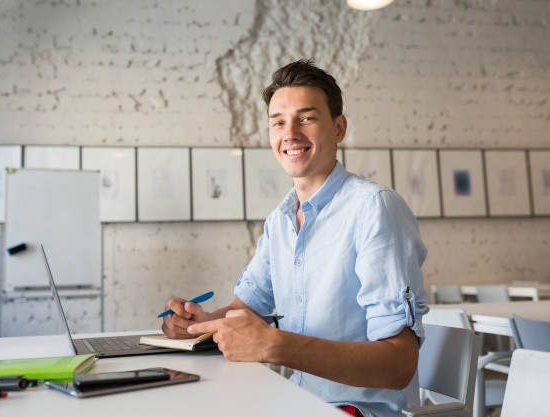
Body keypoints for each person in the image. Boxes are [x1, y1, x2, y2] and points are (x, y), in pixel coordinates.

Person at [161, 59, 428, 417]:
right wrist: (198, 323)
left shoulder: (374, 209)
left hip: (360, 411)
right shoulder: (279, 221)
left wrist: (274, 346)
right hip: (296, 402)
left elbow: (398, 366)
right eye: (278, 122)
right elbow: (244, 310)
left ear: (339, 128)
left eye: (307, 118)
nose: (291, 133)